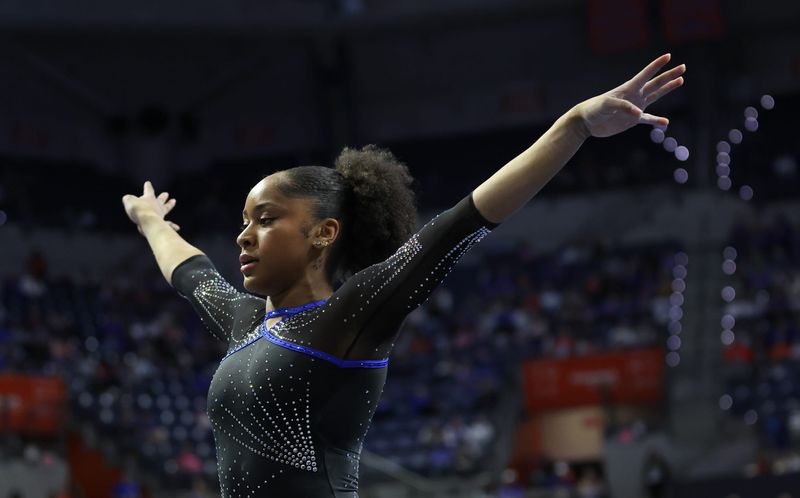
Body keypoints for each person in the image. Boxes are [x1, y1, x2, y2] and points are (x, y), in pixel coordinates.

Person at [122, 54, 685, 497]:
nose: (243, 236)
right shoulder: (247, 323)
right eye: (244, 222)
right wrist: (150, 221)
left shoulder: (346, 319)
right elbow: (191, 271)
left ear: (323, 233)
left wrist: (574, 126)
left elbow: (463, 221)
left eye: (265, 220)